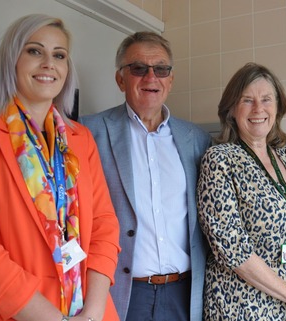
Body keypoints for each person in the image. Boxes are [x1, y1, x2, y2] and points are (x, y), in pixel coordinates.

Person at [0, 14, 121, 321]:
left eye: (59, 55)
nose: (49, 63)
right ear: (12, 60)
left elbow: (105, 225)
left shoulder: (80, 138)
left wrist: (95, 310)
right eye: (35, 51)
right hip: (11, 310)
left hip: (87, 309)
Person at [80, 31, 211, 321]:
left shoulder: (196, 139)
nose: (151, 77)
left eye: (161, 69)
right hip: (120, 291)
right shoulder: (87, 132)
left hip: (183, 293)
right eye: (138, 68)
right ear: (120, 79)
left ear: (171, 80)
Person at [197, 62, 286, 321]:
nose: (258, 109)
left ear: (278, 106)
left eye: (266, 99)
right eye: (247, 100)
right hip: (242, 306)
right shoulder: (220, 160)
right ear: (231, 110)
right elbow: (230, 247)